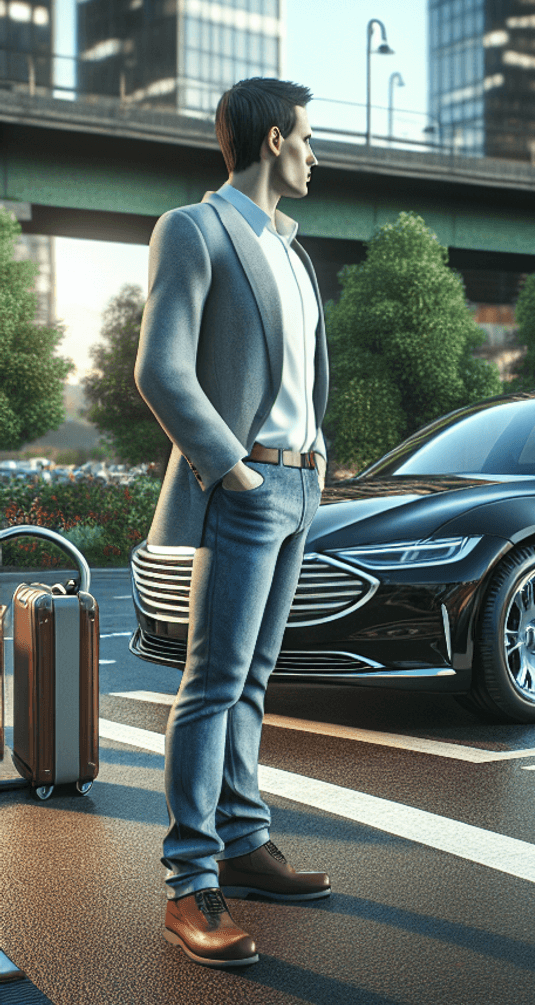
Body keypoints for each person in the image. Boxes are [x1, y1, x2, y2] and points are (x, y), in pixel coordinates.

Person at [135, 77, 332, 968]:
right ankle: (189, 885)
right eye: (307, 140)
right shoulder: (194, 228)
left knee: (253, 679)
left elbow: (300, 379)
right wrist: (239, 473)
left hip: (299, 487)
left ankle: (245, 844)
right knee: (211, 684)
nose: (315, 156)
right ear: (274, 139)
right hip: (242, 492)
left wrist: (313, 462)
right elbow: (162, 371)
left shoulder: (293, 251)